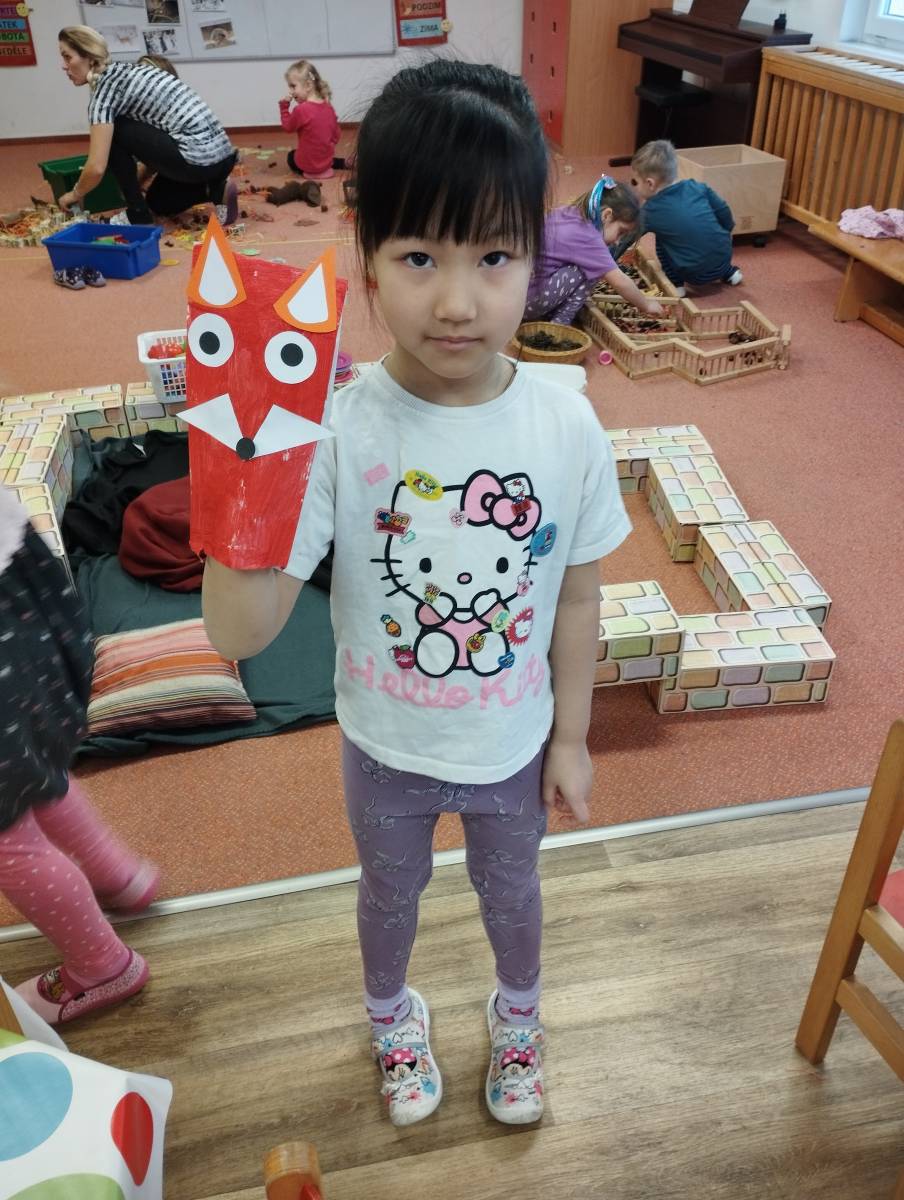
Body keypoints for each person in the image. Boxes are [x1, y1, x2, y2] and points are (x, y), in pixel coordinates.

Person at [201, 60, 630, 1127]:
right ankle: (392, 1016)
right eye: (419, 256)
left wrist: (574, 738)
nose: (455, 301)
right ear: (366, 259)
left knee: (513, 894)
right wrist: (245, 462)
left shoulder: (566, 424)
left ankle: (518, 1014)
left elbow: (577, 599)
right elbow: (239, 630)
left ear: (535, 256)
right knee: (389, 895)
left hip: (512, 743)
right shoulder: (341, 427)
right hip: (384, 745)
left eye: (494, 256)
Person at [0, 487, 159, 1025]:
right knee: (35, 770)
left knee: (6, 839)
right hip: (21, 591)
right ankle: (119, 876)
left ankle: (102, 967)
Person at [56, 25, 238, 226]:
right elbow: (154, 142)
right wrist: (137, 183)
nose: (63, 66)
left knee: (114, 129)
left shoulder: (104, 94)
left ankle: (136, 214)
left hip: (196, 159)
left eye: (67, 57)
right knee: (158, 203)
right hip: (222, 159)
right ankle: (214, 189)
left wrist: (74, 194)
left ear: (90, 57)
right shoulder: (128, 72)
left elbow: (96, 167)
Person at [523, 175, 664, 325]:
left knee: (592, 264)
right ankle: (560, 321)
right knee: (591, 270)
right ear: (606, 215)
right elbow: (620, 282)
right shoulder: (589, 238)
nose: (617, 241)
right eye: (621, 232)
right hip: (530, 302)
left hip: (517, 293)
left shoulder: (569, 212)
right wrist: (646, 305)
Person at [631, 139, 743, 296]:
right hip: (725, 257)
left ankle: (675, 283)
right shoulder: (696, 186)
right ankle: (729, 273)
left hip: (693, 275)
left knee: (662, 239)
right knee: (707, 234)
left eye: (635, 182)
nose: (634, 187)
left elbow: (628, 237)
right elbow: (724, 212)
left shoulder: (650, 211)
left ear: (650, 184)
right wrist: (726, 232)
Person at [279, 59, 342, 179]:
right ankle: (341, 163)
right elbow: (336, 136)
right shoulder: (329, 107)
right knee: (323, 155)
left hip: (307, 165)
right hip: (326, 163)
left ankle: (313, 171)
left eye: (293, 86)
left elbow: (287, 127)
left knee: (291, 156)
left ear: (308, 85)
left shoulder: (301, 110)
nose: (291, 92)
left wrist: (284, 107)